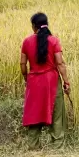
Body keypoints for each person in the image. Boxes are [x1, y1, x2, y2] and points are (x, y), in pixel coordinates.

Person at [20, 12, 70, 150]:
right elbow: (60, 63)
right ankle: (57, 146)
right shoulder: (53, 41)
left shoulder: (26, 42)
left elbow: (23, 64)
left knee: (34, 113)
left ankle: (33, 146)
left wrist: (26, 77)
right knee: (56, 113)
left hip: (34, 81)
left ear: (33, 27)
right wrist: (66, 82)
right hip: (51, 81)